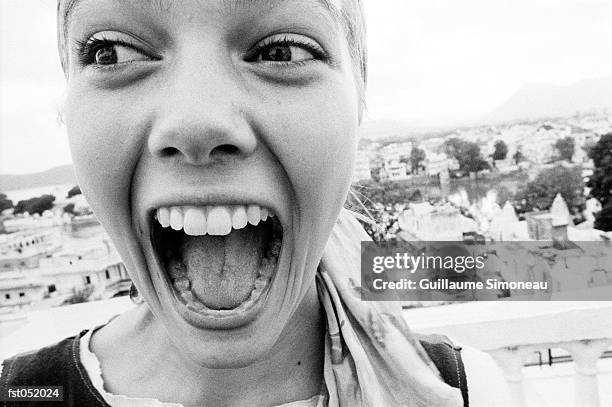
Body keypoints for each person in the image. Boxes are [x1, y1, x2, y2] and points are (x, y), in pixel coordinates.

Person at [0, 1, 510, 406]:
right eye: (111, 51)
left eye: (282, 51)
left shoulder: (466, 392)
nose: (196, 122)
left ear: (360, 101)